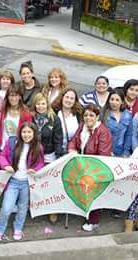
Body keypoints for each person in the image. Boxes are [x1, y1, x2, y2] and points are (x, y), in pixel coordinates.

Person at [0, 122, 44, 242]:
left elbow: (41, 163)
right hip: (13, 181)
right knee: (6, 208)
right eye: (24, 132)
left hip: (27, 182)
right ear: (20, 133)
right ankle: (0, 229)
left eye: (29, 132)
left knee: (22, 208)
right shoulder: (12, 143)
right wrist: (5, 166)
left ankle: (18, 227)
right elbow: (2, 156)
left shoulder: (38, 147)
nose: (26, 135)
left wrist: (35, 169)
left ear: (34, 133)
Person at [68, 104, 112, 232]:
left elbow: (103, 154)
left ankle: (94, 221)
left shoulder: (103, 132)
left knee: (94, 194)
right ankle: (86, 213)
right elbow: (74, 140)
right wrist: (71, 149)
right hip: (82, 165)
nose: (88, 118)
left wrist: (87, 166)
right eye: (86, 115)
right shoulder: (82, 127)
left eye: (91, 115)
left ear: (97, 116)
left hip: (95, 168)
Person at [49, 88, 82, 224]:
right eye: (66, 97)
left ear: (75, 101)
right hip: (57, 151)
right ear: (62, 98)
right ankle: (53, 209)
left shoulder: (78, 115)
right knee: (55, 181)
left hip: (73, 152)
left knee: (70, 180)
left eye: (71, 98)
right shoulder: (54, 113)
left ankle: (67, 206)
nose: (68, 100)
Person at [31, 92, 63, 163]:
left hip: (49, 156)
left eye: (43, 104)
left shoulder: (54, 119)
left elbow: (58, 140)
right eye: (38, 104)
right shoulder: (31, 118)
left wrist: (58, 155)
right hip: (33, 155)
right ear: (35, 105)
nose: (40, 106)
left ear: (47, 105)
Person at [0, 85, 33, 149]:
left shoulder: (26, 113)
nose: (13, 98)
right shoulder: (2, 110)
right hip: (3, 147)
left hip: (18, 148)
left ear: (20, 97)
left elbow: (29, 132)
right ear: (7, 97)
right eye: (11, 95)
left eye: (16, 95)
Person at [101, 89, 133, 157]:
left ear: (122, 102)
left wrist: (126, 152)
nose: (114, 102)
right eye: (112, 99)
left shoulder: (128, 115)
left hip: (121, 153)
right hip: (105, 152)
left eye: (117, 100)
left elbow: (128, 135)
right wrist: (107, 151)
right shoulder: (103, 113)